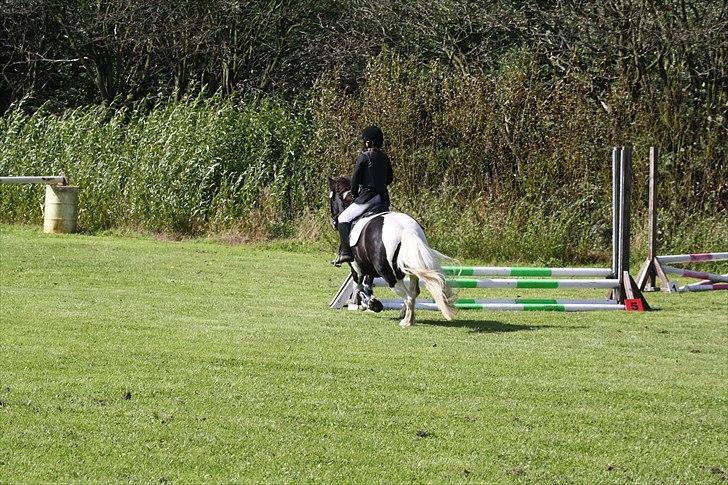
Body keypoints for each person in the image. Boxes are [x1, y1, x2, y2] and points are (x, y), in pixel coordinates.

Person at [331, 125, 393, 266]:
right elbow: (390, 179)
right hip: (383, 199)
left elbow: (355, 180)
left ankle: (346, 252)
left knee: (343, 218)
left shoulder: (364, 157)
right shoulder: (385, 157)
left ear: (368, 142)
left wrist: (355, 193)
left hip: (367, 198)